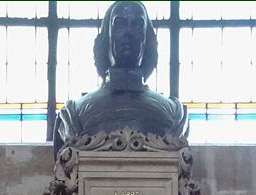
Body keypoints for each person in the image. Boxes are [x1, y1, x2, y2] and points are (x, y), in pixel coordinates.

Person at [53, 0, 187, 156]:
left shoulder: (174, 115)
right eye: (120, 24)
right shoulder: (74, 115)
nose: (128, 32)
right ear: (107, 36)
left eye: (137, 24)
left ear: (146, 37)